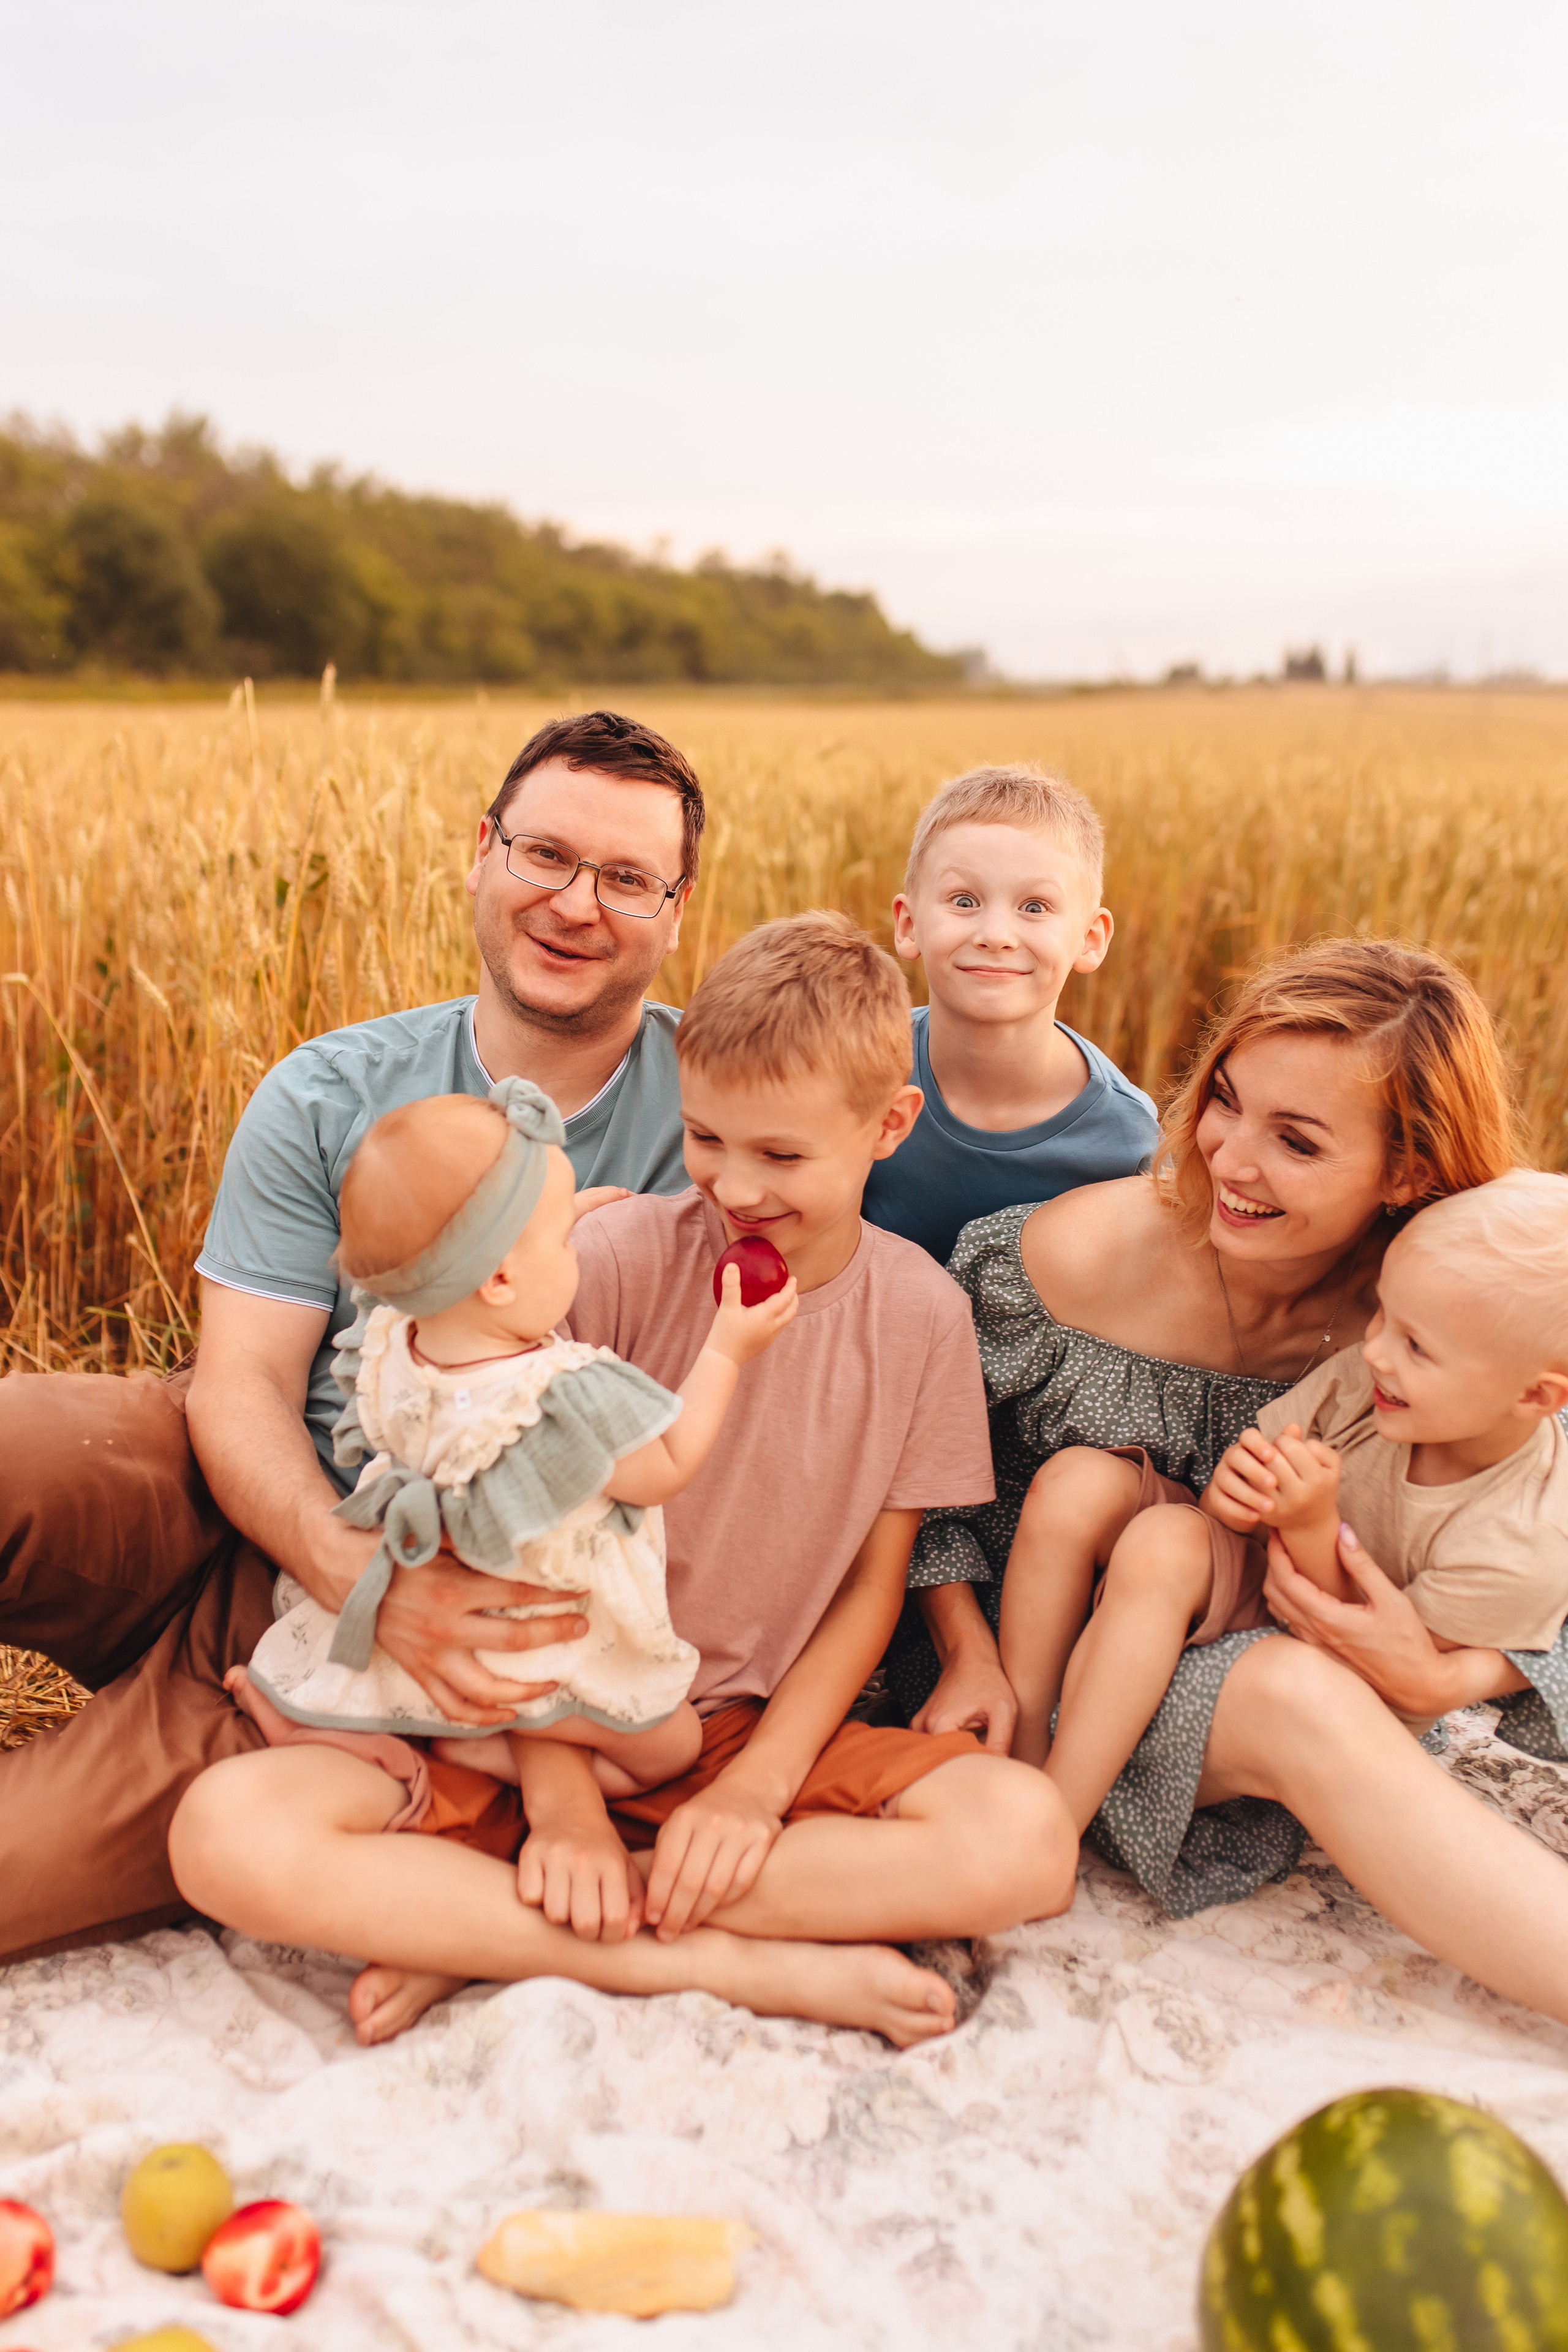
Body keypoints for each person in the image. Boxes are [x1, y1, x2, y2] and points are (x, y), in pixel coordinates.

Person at [168, 914, 1077, 2049]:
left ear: (889, 1125)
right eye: (704, 1137)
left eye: (782, 1156)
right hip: (531, 1722)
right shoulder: (607, 1261)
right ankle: (707, 1955)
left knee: (1024, 1839)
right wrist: (562, 1809)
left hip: (734, 1730)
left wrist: (753, 1795)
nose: (735, 1186)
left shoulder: (924, 1317)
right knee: (226, 1832)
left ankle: (489, 1926)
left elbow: (870, 1587)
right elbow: (518, 1548)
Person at [0, 708, 703, 1964]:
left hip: (387, 1653)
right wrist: (355, 1571)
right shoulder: (330, 1090)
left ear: (676, 910)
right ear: (482, 851)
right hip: (243, 1502)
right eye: (545, 855)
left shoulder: (720, 1114)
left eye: (626, 878)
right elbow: (239, 1388)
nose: (575, 904)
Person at [886, 938, 1568, 2035]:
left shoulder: (1454, 1315)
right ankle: (1030, 1814)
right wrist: (966, 1649)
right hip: (1018, 1670)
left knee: (1295, 1690)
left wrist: (1450, 1672)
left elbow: (1543, 1543)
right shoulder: (1063, 1256)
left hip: (1239, 1666)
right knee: (1230, 1632)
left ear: (1408, 1172)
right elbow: (911, 1480)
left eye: (1296, 1141)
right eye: (1226, 1102)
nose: (1231, 1158)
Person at [235, 1076, 797, 1940]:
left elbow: (439, 1270)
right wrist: (727, 1348)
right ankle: (484, 1754)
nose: (578, 1249)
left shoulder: (396, 1339)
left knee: (412, 1694)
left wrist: (549, 1230)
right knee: (670, 1746)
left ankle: (371, 1724)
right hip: (535, 1620)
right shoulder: (557, 1394)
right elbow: (667, 1467)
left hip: (430, 1592)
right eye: (563, 1240)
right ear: (500, 1276)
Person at [1023, 1169, 1568, 1831]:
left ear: (1535, 1396)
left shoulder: (1524, 1543)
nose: (1375, 1351)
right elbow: (1226, 1519)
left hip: (1312, 1677)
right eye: (1382, 1313)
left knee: (1164, 1544)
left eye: (1417, 1346)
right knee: (1081, 1481)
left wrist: (1310, 1524)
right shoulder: (1370, 1383)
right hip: (1257, 1585)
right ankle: (1023, 1753)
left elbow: (1365, 1662)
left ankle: (1053, 1824)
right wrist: (1235, 1493)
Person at [859, 764, 1158, 1266]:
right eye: (964, 901)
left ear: (1090, 939)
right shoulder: (852, 1067)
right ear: (908, 925)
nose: (996, 935)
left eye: (1035, 907)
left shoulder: (1126, 1142)